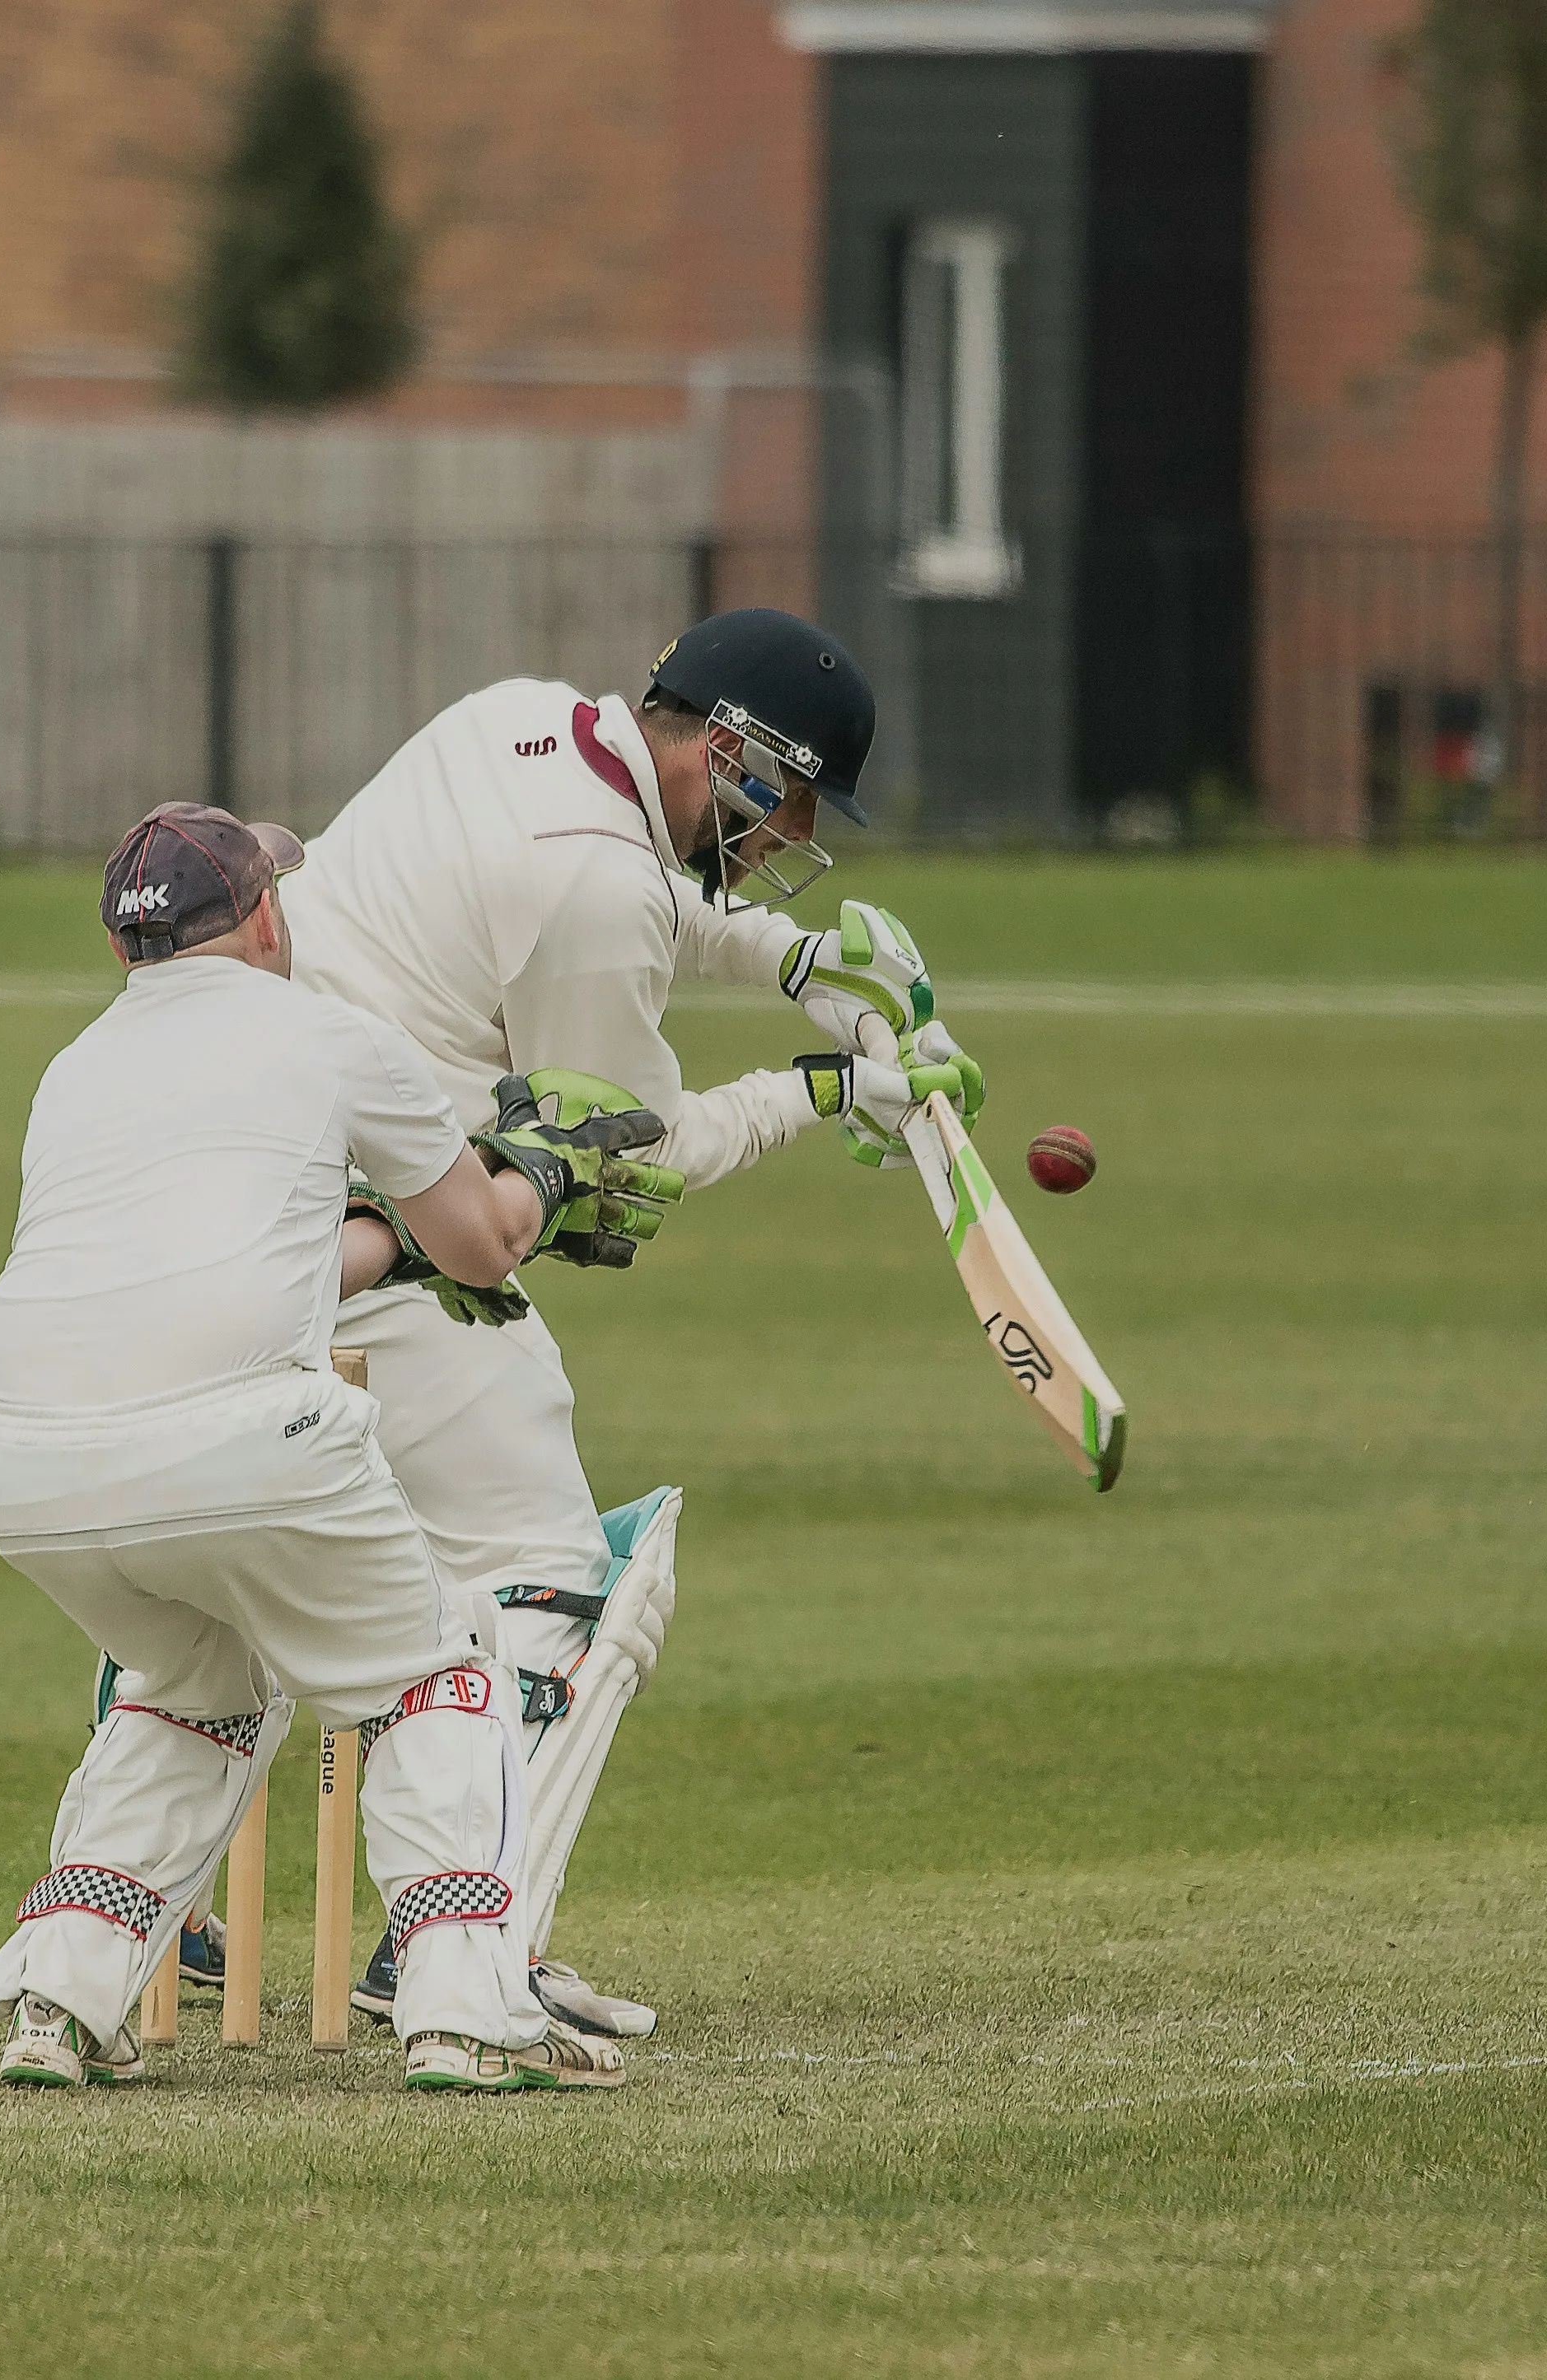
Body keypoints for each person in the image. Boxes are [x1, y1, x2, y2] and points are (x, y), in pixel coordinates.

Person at [245, 608, 983, 2040]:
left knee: (266, 1566)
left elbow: (655, 898)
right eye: (793, 807)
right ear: (734, 756)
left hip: (252, 1212)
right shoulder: (597, 886)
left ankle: (153, 1918)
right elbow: (618, 1165)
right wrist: (830, 1093)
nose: (788, 839)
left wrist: (807, 973)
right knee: (565, 1585)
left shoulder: (522, 718)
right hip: (393, 1239)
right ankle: (467, 1950)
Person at [0, 802, 680, 2092]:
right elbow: (481, 1242)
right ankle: (468, 2009)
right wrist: (542, 1172)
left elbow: (289, 1261)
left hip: (22, 1468)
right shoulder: (332, 1033)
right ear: (260, 918)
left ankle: (60, 1997)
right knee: (436, 1666)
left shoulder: (74, 1068)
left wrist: (402, 1231)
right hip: (243, 1437)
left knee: (196, 1686)